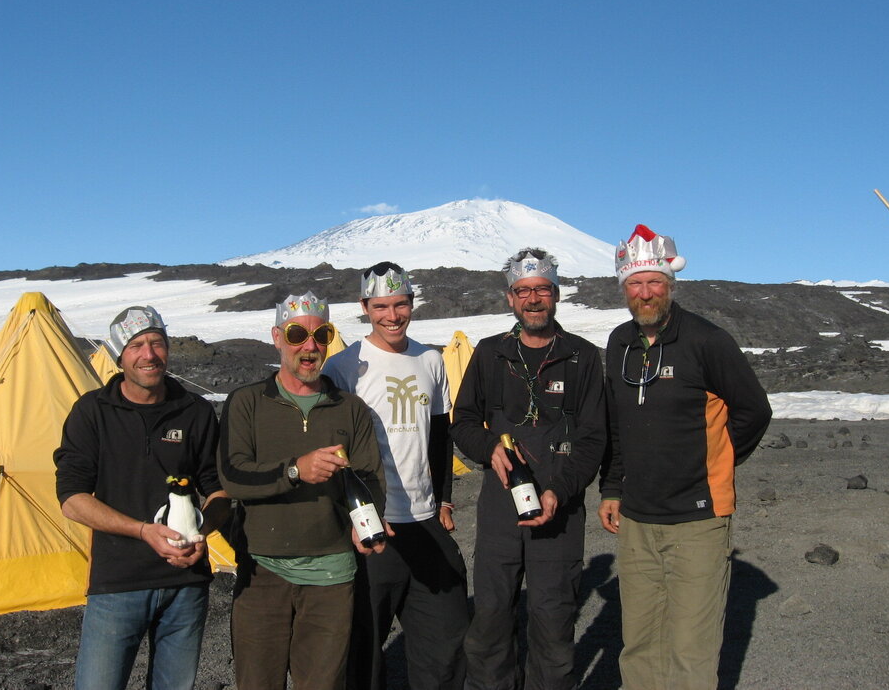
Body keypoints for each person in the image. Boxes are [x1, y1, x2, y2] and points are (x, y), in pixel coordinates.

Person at [597, 224, 772, 690]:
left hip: (699, 516)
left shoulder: (706, 340)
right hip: (637, 518)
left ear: (671, 284)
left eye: (655, 282)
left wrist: (715, 459)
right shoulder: (619, 343)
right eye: (635, 283)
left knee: (690, 648)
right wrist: (612, 488)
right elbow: (617, 423)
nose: (645, 292)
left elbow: (754, 410)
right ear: (624, 288)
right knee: (640, 642)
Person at [451, 248, 607, 690]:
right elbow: (462, 421)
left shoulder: (581, 357)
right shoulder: (490, 354)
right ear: (510, 299)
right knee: (491, 621)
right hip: (500, 509)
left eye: (541, 290)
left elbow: (594, 437)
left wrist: (560, 488)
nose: (533, 299)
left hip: (560, 511)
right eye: (523, 291)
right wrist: (488, 449)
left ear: (556, 294)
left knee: (553, 623)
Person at [217, 291, 388, 690]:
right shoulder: (247, 403)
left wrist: (364, 526)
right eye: (297, 335)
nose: (310, 347)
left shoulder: (349, 408)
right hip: (263, 571)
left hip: (333, 575)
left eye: (321, 336)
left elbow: (370, 479)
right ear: (277, 337)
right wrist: (295, 471)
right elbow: (233, 476)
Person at [55, 305, 229, 690]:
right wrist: (142, 531)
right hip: (117, 584)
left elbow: (217, 488)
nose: (148, 354)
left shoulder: (195, 412)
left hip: (186, 584)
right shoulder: (92, 413)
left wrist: (203, 534)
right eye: (136, 346)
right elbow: (71, 497)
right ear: (119, 356)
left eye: (156, 343)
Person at [323, 262, 469, 690]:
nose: (392, 315)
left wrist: (442, 498)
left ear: (412, 303)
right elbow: (337, 451)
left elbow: (440, 437)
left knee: (444, 643)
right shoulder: (344, 367)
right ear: (364, 307)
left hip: (423, 519)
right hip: (373, 523)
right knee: (364, 651)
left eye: (400, 304)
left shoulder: (430, 359)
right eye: (381, 306)